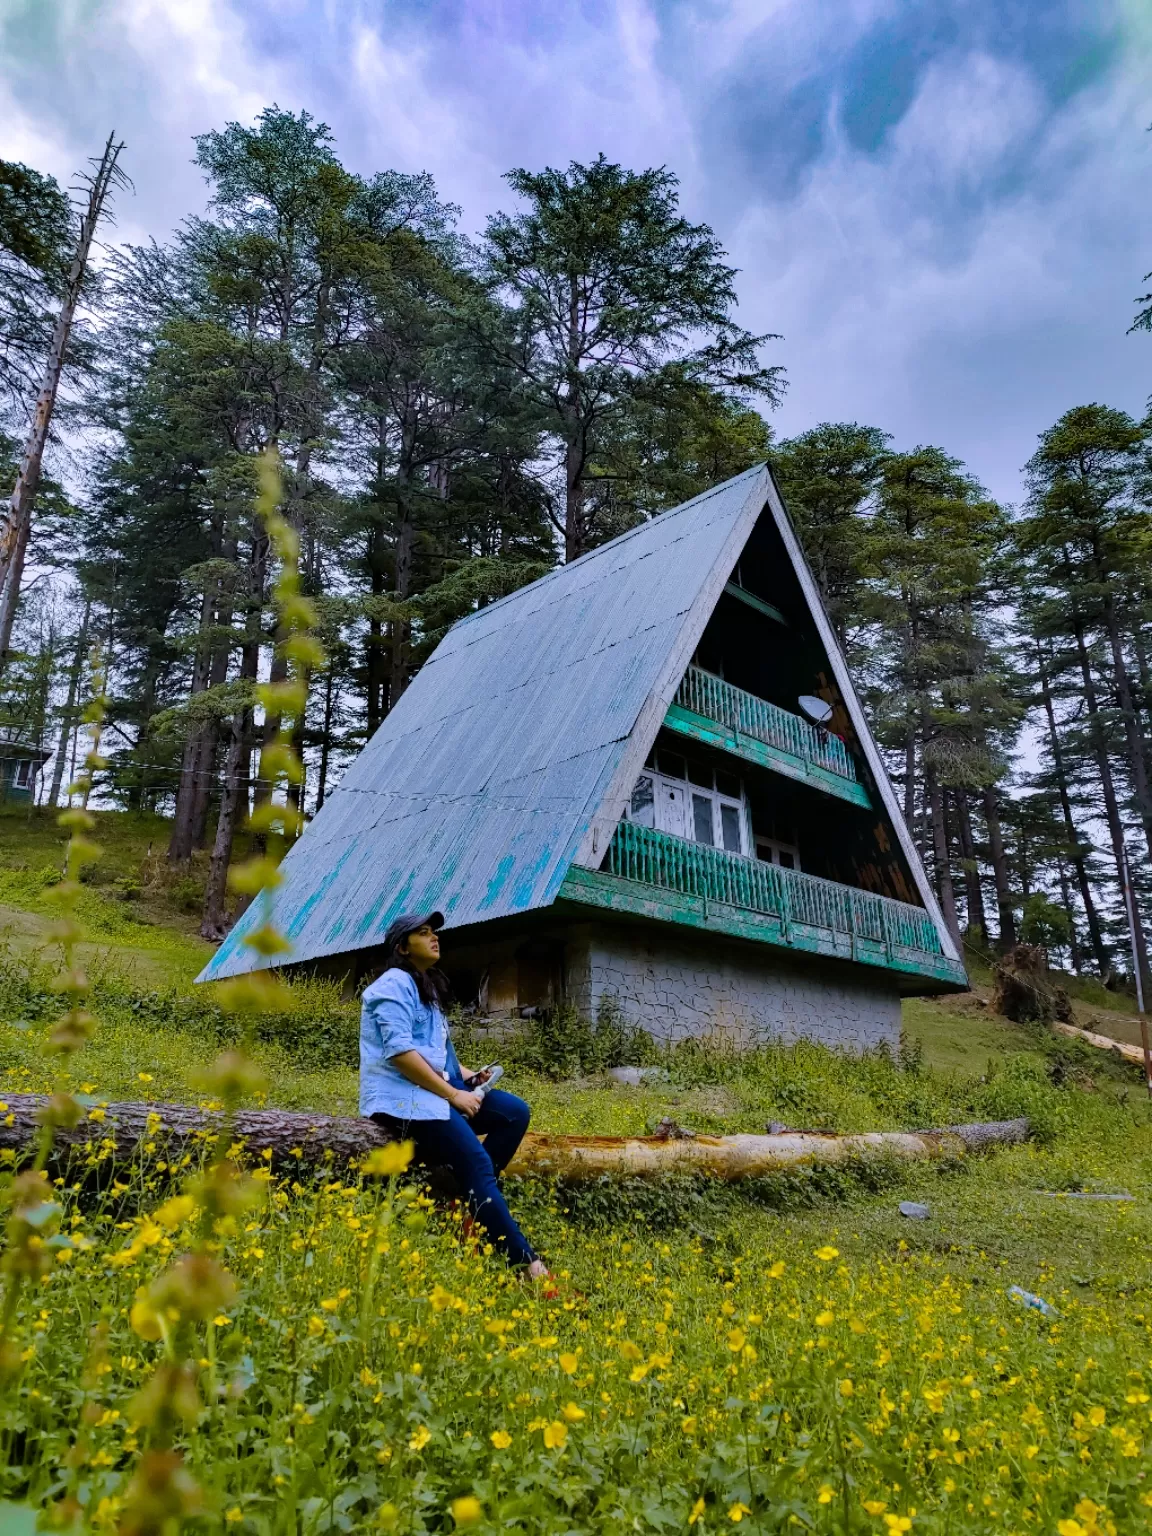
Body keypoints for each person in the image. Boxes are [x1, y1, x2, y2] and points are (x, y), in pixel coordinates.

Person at [360, 911, 551, 1284]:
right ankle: (529, 1268)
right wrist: (454, 1095)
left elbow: (436, 1051)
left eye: (435, 933)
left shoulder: (425, 986)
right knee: (477, 1163)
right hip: (404, 1101)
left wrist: (467, 1077)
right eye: (424, 933)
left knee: (514, 1113)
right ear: (402, 947)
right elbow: (399, 1054)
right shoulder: (393, 985)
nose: (435, 938)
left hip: (435, 1092)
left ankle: (471, 1205)